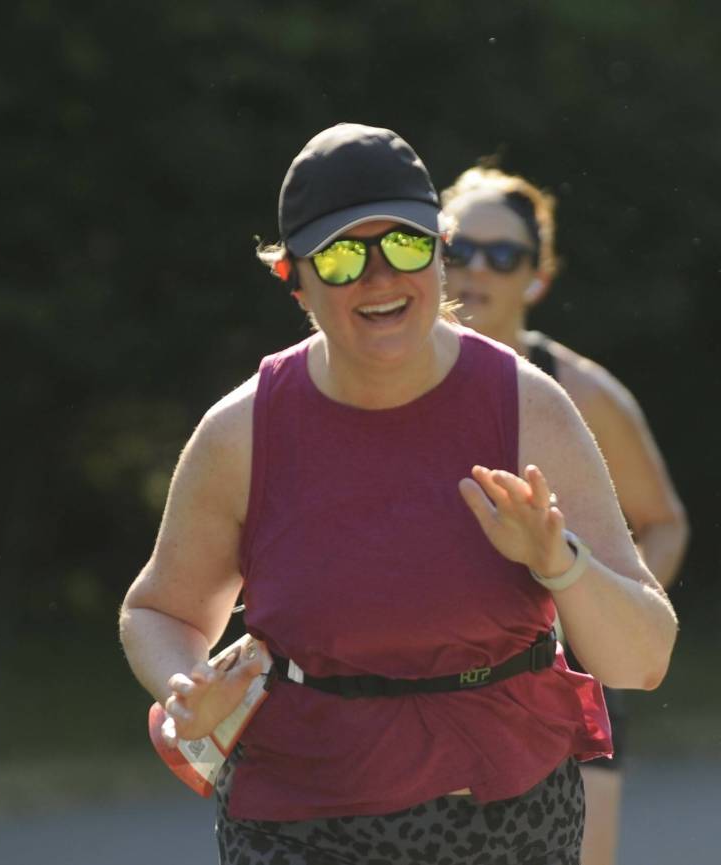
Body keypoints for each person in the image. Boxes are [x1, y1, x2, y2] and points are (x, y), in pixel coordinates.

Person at [119, 123, 678, 865]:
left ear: (441, 254)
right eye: (345, 255)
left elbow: (642, 660)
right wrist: (189, 688)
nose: (380, 278)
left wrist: (561, 561)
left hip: (506, 817)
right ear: (294, 275)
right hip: (298, 818)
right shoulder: (244, 430)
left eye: (406, 246)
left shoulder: (529, 407)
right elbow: (158, 609)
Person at [440, 165, 690, 865]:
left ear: (538, 277)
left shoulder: (578, 391)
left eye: (505, 255)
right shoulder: (383, 382)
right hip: (428, 692)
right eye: (459, 249)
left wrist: (597, 620)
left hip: (564, 692)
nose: (476, 269)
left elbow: (664, 520)